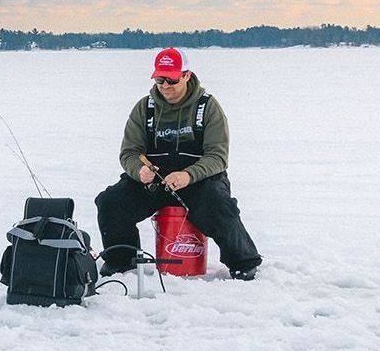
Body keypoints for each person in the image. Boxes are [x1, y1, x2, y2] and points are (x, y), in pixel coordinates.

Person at [95, 48, 262, 280]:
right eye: (160, 79)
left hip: (199, 180)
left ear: (186, 75)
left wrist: (188, 175)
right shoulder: (145, 108)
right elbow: (129, 152)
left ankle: (243, 261)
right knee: (110, 202)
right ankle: (121, 259)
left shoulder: (208, 108)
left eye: (172, 79)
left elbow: (218, 156)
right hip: (155, 181)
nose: (165, 86)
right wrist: (139, 170)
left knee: (219, 205)